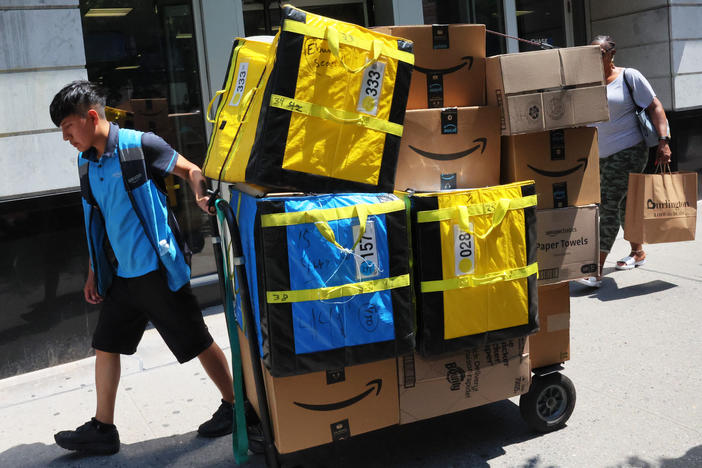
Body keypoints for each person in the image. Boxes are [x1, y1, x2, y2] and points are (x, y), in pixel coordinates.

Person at [49, 81, 260, 455]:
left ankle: (236, 405)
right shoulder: (87, 162)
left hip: (156, 270)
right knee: (106, 344)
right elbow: (97, 219)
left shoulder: (140, 145)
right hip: (122, 278)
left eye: (68, 129)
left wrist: (199, 192)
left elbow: (189, 169)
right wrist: (95, 271)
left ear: (91, 117)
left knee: (196, 339)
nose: (66, 139)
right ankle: (103, 428)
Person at [577, 36, 672, 288]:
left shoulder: (629, 77)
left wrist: (663, 140)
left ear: (611, 54)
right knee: (625, 204)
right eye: (590, 54)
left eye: (600, 54)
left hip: (629, 151)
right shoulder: (587, 83)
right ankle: (638, 252)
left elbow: (655, 106)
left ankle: (595, 270)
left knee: (607, 204)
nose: (595, 59)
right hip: (601, 154)